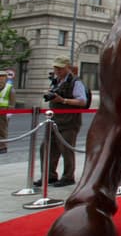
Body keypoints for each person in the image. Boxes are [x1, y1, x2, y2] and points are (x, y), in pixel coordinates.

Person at [34, 55, 87, 187]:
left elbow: (82, 101)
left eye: (60, 68)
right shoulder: (56, 81)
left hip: (69, 121)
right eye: (55, 67)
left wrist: (63, 100)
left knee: (66, 149)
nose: (57, 70)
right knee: (46, 147)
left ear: (67, 68)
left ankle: (68, 176)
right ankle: (49, 175)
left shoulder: (76, 82)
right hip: (54, 120)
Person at [0, 70, 15, 154]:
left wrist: (10, 112)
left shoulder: (9, 87)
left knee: (2, 129)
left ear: (5, 78)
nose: (0, 79)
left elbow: (12, 101)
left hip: (4, 110)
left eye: (2, 77)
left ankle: (2, 146)